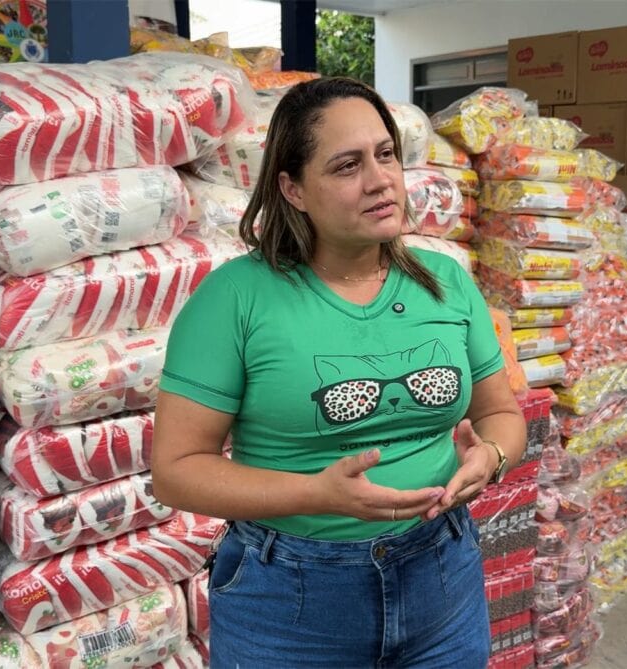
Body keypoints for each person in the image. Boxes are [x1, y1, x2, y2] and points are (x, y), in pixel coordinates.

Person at [151, 77, 527, 668]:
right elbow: (174, 473)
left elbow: (501, 415)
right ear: (293, 188)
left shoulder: (447, 282)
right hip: (292, 602)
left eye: (385, 155)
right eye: (347, 165)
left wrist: (491, 459)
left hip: (442, 578)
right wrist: (315, 493)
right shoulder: (234, 298)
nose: (380, 180)